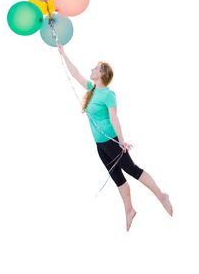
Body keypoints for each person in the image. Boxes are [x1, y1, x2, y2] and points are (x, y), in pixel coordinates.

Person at [57, 43, 173, 231]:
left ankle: (161, 195)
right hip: (100, 145)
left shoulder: (108, 94)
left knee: (132, 170)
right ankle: (129, 210)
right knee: (117, 176)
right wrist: (63, 53)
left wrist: (120, 141)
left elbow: (114, 117)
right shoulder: (92, 90)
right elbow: (75, 73)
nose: (91, 69)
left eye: (95, 68)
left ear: (102, 74)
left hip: (111, 142)